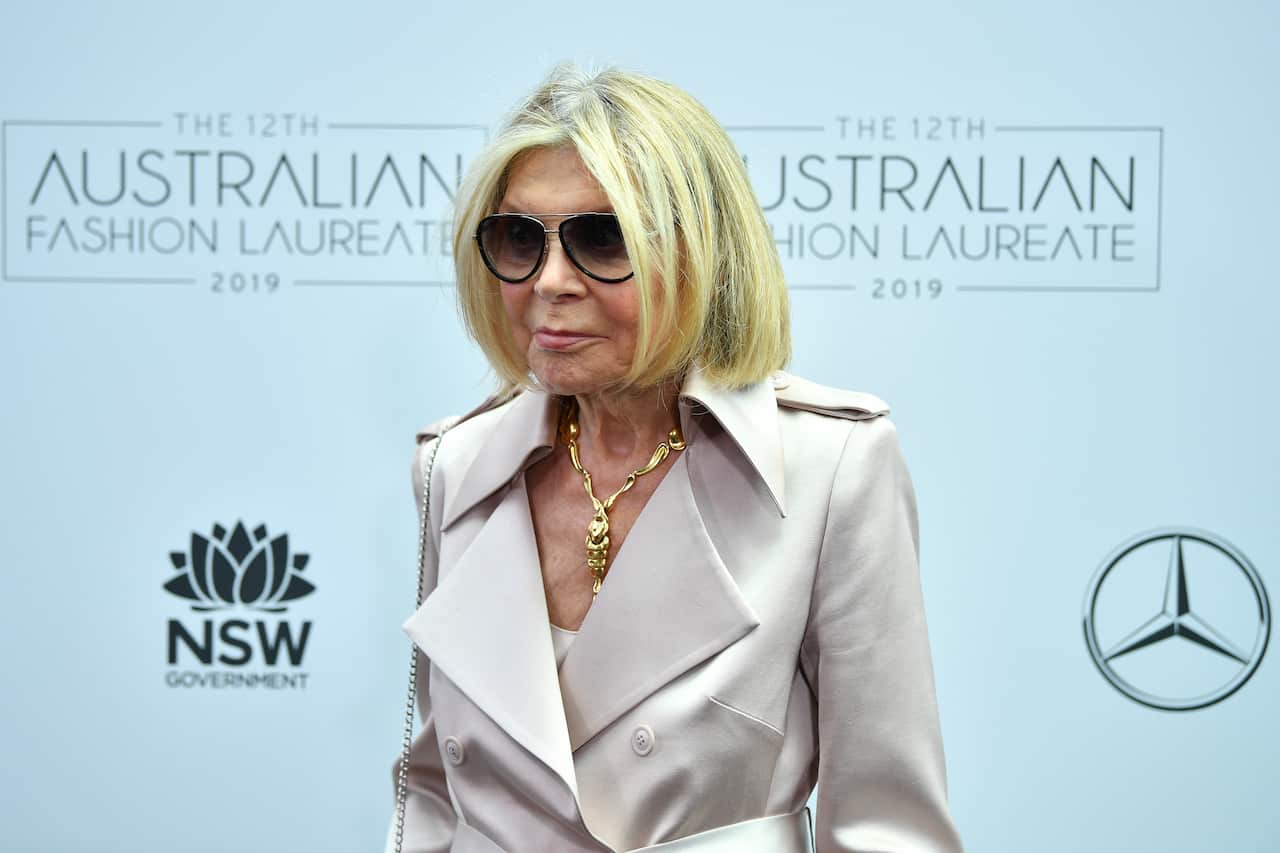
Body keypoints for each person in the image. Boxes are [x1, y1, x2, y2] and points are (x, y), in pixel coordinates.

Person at [389, 63, 963, 853]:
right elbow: (433, 796)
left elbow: (887, 829)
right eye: (520, 237)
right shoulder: (455, 465)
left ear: (701, 256)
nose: (550, 282)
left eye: (603, 237)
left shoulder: (832, 467)